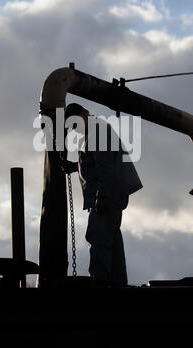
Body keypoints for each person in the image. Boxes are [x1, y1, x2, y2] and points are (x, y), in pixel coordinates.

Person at [61, 103, 143, 287]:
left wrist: (102, 196)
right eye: (72, 127)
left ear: (85, 114)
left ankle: (100, 284)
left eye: (75, 124)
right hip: (109, 195)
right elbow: (97, 162)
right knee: (112, 240)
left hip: (106, 197)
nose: (75, 129)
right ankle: (117, 283)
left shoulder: (97, 132)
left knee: (97, 237)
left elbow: (106, 168)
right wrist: (75, 167)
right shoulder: (95, 133)